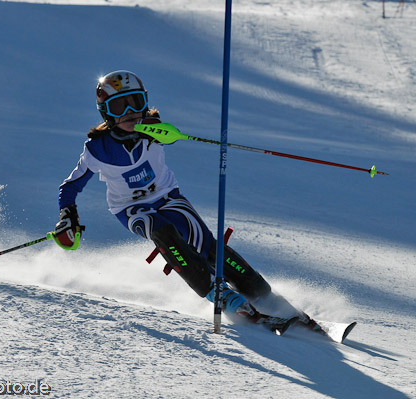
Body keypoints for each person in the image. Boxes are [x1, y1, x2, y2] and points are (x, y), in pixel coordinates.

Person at [51, 70, 305, 326]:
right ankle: (221, 295)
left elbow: (166, 134)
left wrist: (160, 131)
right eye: (119, 106)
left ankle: (264, 295)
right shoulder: (97, 149)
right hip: (131, 209)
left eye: (136, 102)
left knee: (206, 244)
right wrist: (67, 215)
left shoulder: (154, 132)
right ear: (105, 112)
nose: (130, 112)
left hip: (169, 198)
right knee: (161, 230)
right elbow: (70, 186)